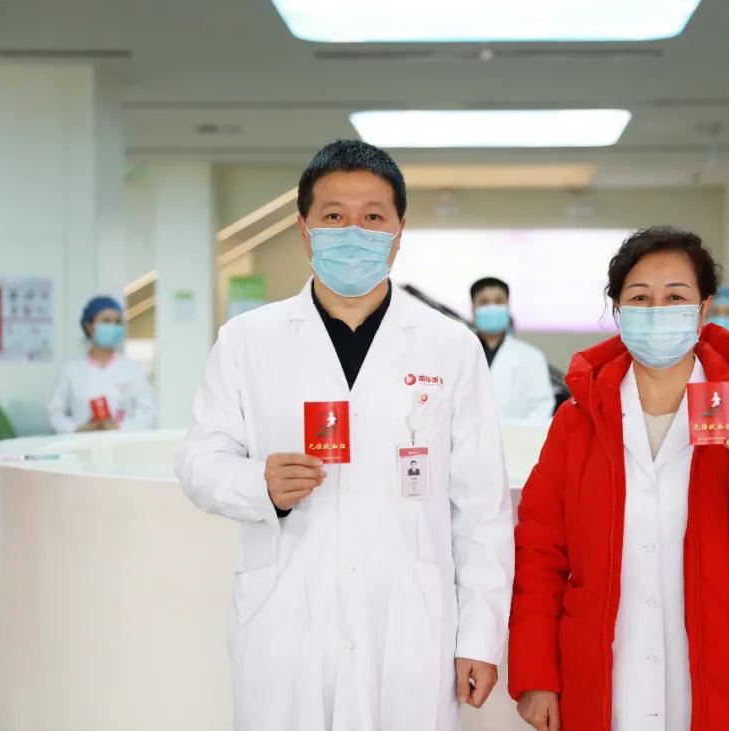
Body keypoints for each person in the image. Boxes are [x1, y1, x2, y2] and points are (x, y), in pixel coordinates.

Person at [175, 139, 514, 731]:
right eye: (333, 215)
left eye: (373, 217)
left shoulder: (449, 346)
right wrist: (259, 484)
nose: (353, 232)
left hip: (410, 625)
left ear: (399, 232)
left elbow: (482, 507)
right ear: (304, 230)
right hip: (287, 621)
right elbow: (200, 461)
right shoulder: (247, 341)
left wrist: (480, 636)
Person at [508, 226, 729, 731]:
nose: (657, 310)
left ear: (703, 309)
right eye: (640, 298)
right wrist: (537, 674)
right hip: (603, 679)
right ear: (617, 310)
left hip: (726, 678)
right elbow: (540, 554)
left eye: (675, 297)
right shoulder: (577, 421)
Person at [46, 295, 155, 433]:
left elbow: (147, 415)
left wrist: (119, 427)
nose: (113, 326)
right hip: (81, 442)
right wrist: (77, 428)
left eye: (118, 322)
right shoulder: (71, 370)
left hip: (123, 442)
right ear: (89, 326)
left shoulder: (133, 369)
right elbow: (54, 414)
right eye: (106, 321)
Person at [470, 277, 556, 422]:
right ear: (473, 309)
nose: (492, 308)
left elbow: (542, 406)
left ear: (508, 306)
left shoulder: (531, 356)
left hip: (517, 435)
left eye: (498, 301)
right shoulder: (457, 353)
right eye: (484, 302)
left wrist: (519, 433)